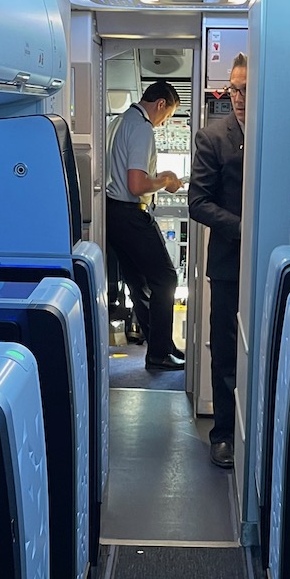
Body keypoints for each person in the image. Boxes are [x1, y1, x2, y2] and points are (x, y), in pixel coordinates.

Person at [188, 53, 247, 469]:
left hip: (268, 266)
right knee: (225, 352)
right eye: (233, 88)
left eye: (245, 89)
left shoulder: (273, 135)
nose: (238, 97)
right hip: (228, 263)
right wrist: (244, 229)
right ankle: (223, 433)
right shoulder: (214, 137)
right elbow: (197, 202)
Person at [105, 79, 185, 371]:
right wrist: (165, 180)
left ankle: (160, 348)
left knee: (139, 285)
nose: (164, 123)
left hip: (112, 214)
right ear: (160, 104)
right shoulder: (141, 127)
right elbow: (137, 184)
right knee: (166, 279)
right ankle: (160, 354)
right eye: (168, 115)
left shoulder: (119, 121)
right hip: (130, 213)